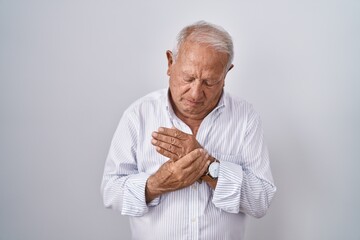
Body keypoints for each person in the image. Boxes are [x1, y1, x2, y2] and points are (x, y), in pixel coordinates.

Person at [101, 20, 276, 240]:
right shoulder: (138, 115)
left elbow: (261, 201)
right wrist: (155, 184)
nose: (195, 93)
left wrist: (208, 167)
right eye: (188, 78)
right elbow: (110, 192)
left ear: (226, 74)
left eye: (210, 82)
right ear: (170, 62)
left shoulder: (245, 118)